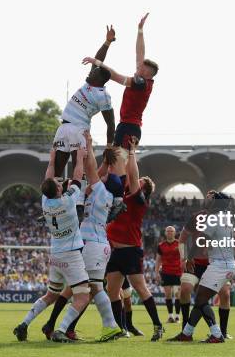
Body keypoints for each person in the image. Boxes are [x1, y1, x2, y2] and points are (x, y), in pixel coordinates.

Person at [40, 132, 123, 342]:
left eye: (103, 177)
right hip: (101, 243)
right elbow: (98, 171)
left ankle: (71, 327)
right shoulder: (105, 193)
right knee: (92, 287)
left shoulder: (99, 190)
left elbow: (90, 168)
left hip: (90, 243)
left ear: (104, 183)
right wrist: (107, 160)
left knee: (89, 288)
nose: (100, 176)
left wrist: (87, 145)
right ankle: (108, 326)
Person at [14, 147, 95, 343]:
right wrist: (79, 157)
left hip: (56, 255)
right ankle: (61, 330)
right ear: (59, 190)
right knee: (84, 296)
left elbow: (49, 177)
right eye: (59, 185)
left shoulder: (45, 202)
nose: (61, 184)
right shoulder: (68, 201)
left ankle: (23, 324)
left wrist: (52, 160)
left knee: (51, 295)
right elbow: (77, 176)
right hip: (71, 255)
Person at [105, 136, 164, 341]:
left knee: (140, 288)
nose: (133, 182)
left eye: (138, 183)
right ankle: (120, 329)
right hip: (117, 252)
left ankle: (158, 326)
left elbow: (132, 173)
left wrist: (131, 152)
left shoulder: (139, 199)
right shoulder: (125, 195)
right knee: (112, 291)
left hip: (130, 250)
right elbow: (125, 174)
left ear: (144, 190)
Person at [168, 191, 235, 343]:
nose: (209, 200)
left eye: (213, 199)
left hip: (219, 266)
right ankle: (187, 333)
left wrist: (189, 257)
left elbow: (202, 240)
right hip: (226, 265)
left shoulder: (214, 218)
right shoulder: (227, 219)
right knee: (199, 300)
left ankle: (217, 334)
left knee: (200, 300)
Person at [81, 13, 158, 155]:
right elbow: (140, 53)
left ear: (147, 73)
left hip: (130, 127)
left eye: (142, 67)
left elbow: (115, 76)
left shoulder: (140, 83)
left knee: (120, 163)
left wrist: (96, 62)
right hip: (126, 125)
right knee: (113, 161)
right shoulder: (143, 77)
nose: (138, 67)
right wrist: (140, 30)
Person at [53, 26, 117, 178]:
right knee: (56, 168)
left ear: (100, 79)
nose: (91, 71)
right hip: (64, 127)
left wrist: (109, 146)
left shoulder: (103, 96)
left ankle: (78, 200)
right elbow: (98, 60)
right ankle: (52, 198)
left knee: (78, 167)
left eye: (94, 71)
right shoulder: (90, 82)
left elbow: (111, 123)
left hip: (79, 130)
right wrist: (107, 42)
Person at [178, 212, 232, 337]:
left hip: (215, 265)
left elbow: (234, 238)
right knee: (185, 290)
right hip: (195, 264)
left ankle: (222, 332)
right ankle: (185, 331)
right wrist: (183, 258)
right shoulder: (196, 217)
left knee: (225, 294)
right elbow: (182, 239)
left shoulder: (224, 220)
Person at [156, 226, 182, 323]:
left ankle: (177, 317)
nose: (170, 233)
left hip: (178, 272)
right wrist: (156, 272)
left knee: (177, 294)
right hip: (166, 273)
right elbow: (158, 260)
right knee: (168, 295)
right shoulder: (161, 245)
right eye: (168, 231)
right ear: (165, 233)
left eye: (171, 231)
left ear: (174, 233)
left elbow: (184, 258)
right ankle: (170, 316)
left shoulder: (179, 244)